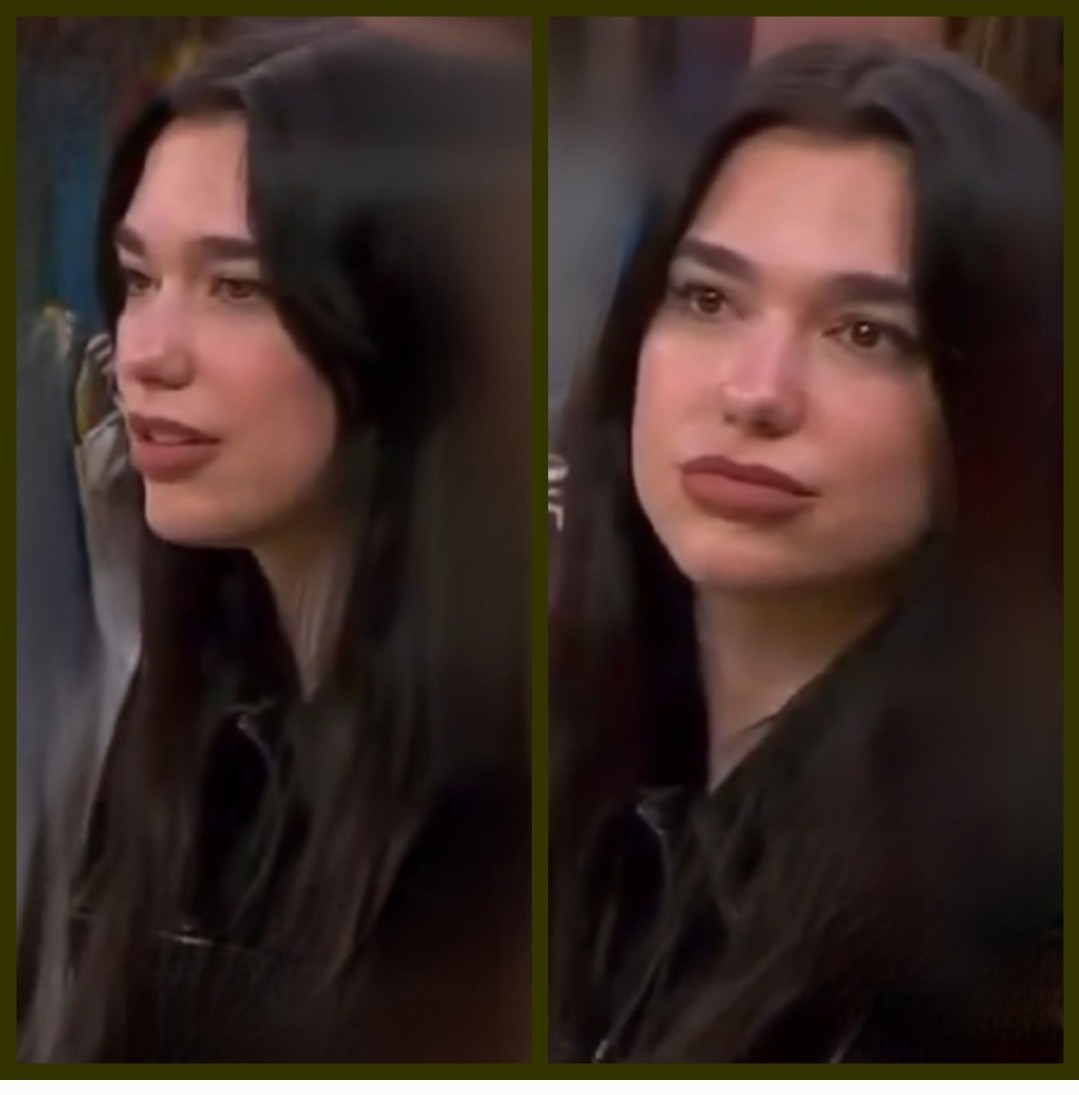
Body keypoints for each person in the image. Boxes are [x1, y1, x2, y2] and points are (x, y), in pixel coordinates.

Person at [19, 22, 531, 1063]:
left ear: (393, 316)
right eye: (139, 279)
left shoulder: (515, 779)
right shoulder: (191, 701)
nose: (148, 354)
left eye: (236, 286)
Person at [550, 38, 1060, 1063]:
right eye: (707, 299)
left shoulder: (1006, 929)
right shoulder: (544, 773)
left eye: (865, 333)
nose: (755, 391)